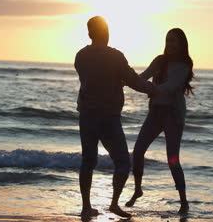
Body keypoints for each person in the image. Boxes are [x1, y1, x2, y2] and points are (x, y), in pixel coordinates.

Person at [75, 16, 160, 218]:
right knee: (122, 162)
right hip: (108, 118)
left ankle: (86, 207)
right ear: (107, 32)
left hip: (86, 115)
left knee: (88, 161)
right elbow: (134, 81)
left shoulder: (80, 56)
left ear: (89, 33)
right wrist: (156, 90)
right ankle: (113, 204)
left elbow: (92, 79)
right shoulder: (115, 56)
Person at [126, 28, 194, 214]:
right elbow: (143, 77)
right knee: (138, 151)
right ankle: (138, 189)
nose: (170, 44)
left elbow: (170, 87)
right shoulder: (159, 60)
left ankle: (183, 201)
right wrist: (126, 79)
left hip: (173, 115)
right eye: (168, 40)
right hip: (155, 113)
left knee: (173, 160)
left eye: (174, 41)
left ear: (181, 43)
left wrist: (149, 88)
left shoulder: (185, 65)